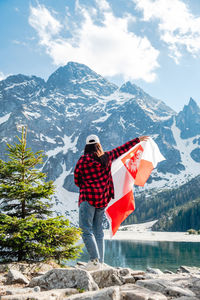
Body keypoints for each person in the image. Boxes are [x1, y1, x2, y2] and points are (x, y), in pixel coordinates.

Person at [74, 134, 148, 271]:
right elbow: (123, 149)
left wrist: (86, 184)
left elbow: (76, 180)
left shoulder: (82, 160)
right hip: (102, 200)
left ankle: (94, 260)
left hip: (87, 198)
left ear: (86, 146)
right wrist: (137, 140)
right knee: (98, 231)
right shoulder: (106, 157)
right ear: (98, 145)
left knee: (86, 230)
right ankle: (100, 262)